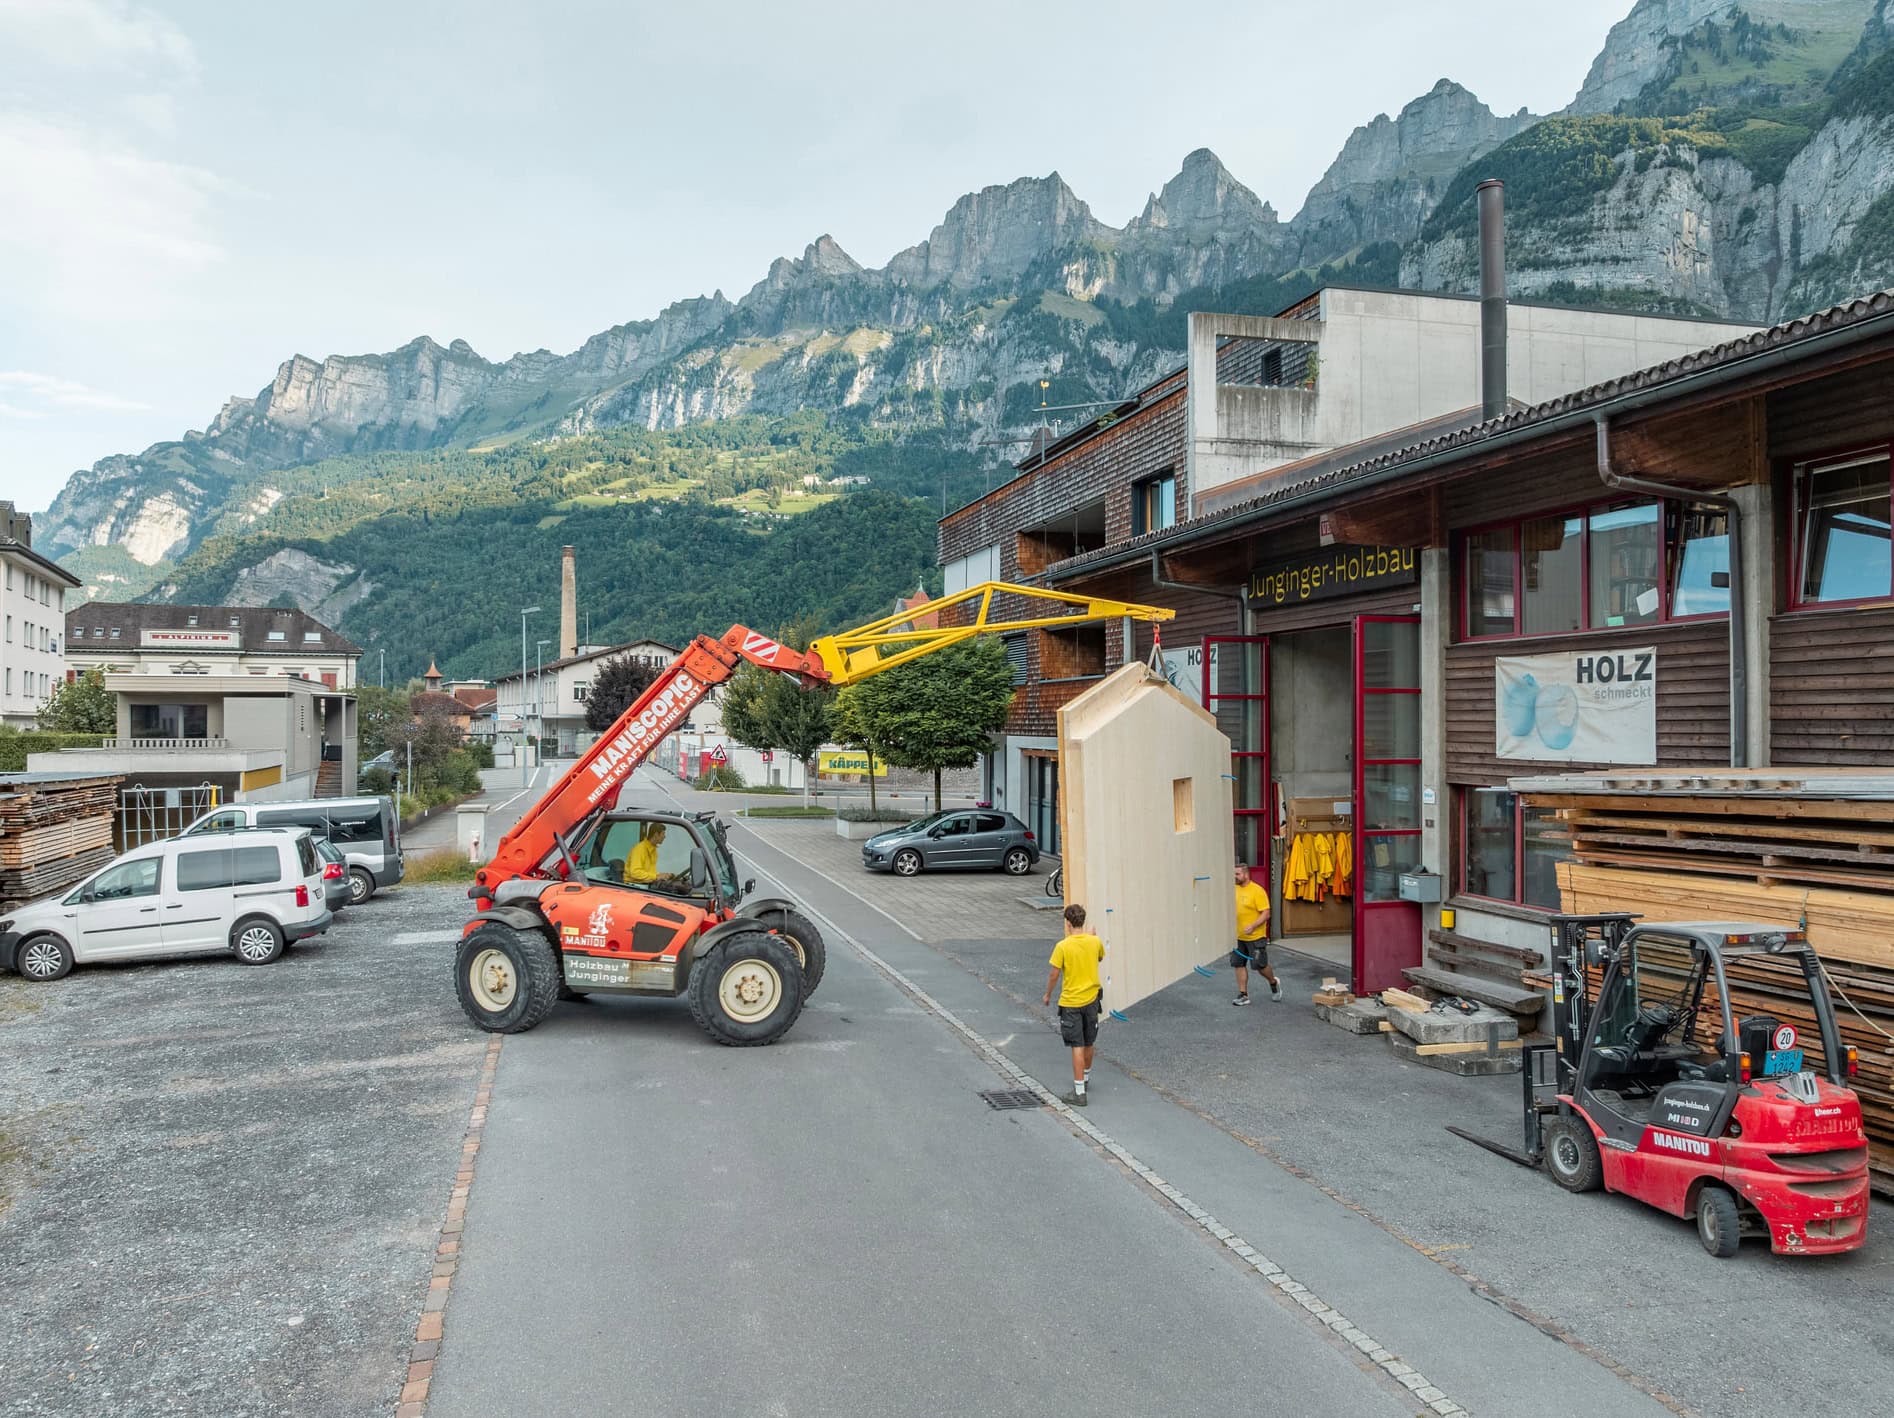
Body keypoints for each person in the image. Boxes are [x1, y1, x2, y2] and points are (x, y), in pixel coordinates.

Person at [1043, 903, 1105, 1107]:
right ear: (1083, 921)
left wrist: (1048, 994)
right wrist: (1092, 936)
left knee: (1076, 1045)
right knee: (1089, 1042)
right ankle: (1085, 1080)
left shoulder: (1063, 946)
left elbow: (1054, 974)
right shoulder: (1094, 941)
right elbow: (1099, 957)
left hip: (1071, 1002)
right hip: (1092, 1000)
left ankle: (1079, 1093)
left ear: (1068, 923)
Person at [1232, 862, 1279, 1004]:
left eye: (1237, 874)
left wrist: (1253, 926)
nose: (1235, 877)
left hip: (1255, 937)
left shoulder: (1257, 891)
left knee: (1260, 966)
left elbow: (1266, 913)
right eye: (1234, 874)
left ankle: (1273, 982)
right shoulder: (1233, 889)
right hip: (1238, 936)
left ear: (1246, 874)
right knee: (1238, 964)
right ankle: (1243, 994)